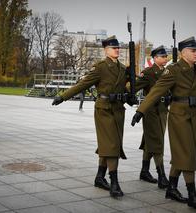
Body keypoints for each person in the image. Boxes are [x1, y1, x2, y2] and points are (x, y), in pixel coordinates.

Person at [131, 37, 196, 210]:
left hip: (195, 117)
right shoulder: (173, 70)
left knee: (185, 153)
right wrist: (140, 111)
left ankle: (171, 188)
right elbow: (156, 91)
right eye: (193, 51)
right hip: (179, 116)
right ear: (183, 52)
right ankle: (192, 195)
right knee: (188, 154)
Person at [52, 35, 135, 198]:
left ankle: (99, 177)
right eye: (114, 48)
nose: (117, 50)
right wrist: (63, 96)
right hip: (104, 110)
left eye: (118, 48)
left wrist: (129, 93)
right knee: (112, 146)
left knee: (111, 144)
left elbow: (125, 87)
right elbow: (82, 84)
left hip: (118, 110)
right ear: (106, 50)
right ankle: (114, 182)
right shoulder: (100, 67)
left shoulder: (123, 68)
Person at [133, 46, 170, 189]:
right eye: (162, 56)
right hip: (151, 112)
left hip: (163, 111)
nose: (165, 59)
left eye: (166, 56)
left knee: (150, 141)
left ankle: (144, 171)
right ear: (155, 58)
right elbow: (134, 86)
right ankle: (162, 176)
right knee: (157, 142)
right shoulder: (148, 72)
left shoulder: (167, 72)